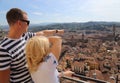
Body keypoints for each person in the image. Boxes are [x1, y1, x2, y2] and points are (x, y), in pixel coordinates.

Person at [0, 8, 64, 83]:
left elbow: (43, 33)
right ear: (19, 23)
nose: (28, 25)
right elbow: (4, 81)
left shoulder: (25, 36)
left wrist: (58, 31)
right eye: (27, 22)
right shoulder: (3, 49)